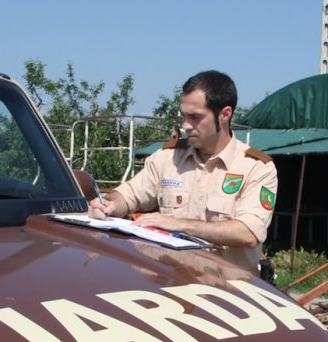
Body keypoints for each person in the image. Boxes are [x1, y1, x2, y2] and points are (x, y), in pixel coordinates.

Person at [88, 70, 277, 275]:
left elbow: (248, 233)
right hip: (171, 286)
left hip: (228, 292)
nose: (185, 126)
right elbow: (129, 195)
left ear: (225, 114)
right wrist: (109, 205)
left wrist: (177, 225)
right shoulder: (168, 158)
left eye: (195, 117)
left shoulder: (256, 167)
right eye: (184, 116)